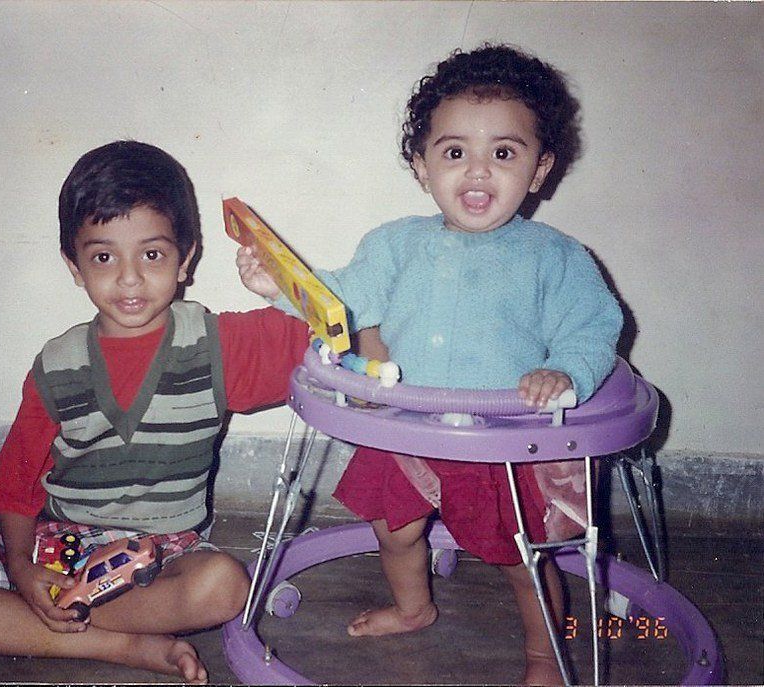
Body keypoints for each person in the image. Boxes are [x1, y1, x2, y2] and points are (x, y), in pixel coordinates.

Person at [237, 44, 622, 685]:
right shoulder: (394, 245)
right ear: (422, 167)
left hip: (504, 442)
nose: (478, 171)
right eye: (454, 152)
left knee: (521, 559)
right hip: (407, 431)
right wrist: (280, 285)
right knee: (394, 531)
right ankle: (414, 607)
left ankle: (543, 655)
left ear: (539, 169)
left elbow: (592, 328)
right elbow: (342, 300)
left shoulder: (555, 258)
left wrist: (564, 373)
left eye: (504, 153)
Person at [0, 141, 310, 684]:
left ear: (186, 258)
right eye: (104, 257)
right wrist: (22, 569)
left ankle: (10, 628)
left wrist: (278, 294)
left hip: (160, 558)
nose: (129, 279)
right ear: (75, 265)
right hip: (53, 548)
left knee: (224, 587)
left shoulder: (218, 346)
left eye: (152, 255)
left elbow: (329, 339)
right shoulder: (57, 364)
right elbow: (15, 484)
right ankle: (123, 647)